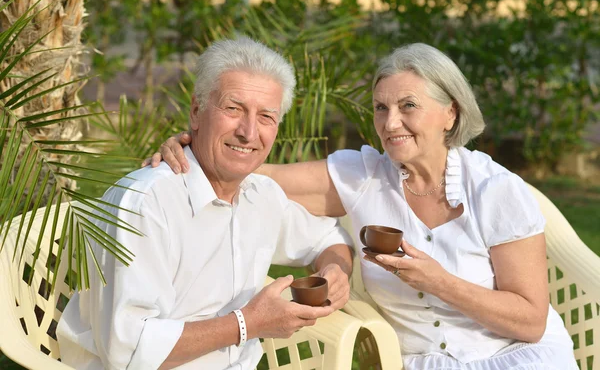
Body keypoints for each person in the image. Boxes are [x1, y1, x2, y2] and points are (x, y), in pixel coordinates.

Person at [149, 43, 578, 369]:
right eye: (380, 108)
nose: (390, 123)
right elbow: (252, 166)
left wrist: (440, 282)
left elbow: (529, 321)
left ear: (450, 112)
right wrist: (188, 146)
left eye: (408, 106)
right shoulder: (363, 177)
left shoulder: (497, 191)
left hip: (519, 356)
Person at [56, 37, 354, 370]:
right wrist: (248, 324)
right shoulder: (146, 203)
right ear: (197, 112)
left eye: (266, 117)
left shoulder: (261, 195)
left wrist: (335, 272)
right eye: (234, 109)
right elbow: (129, 349)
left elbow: (329, 238)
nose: (248, 131)